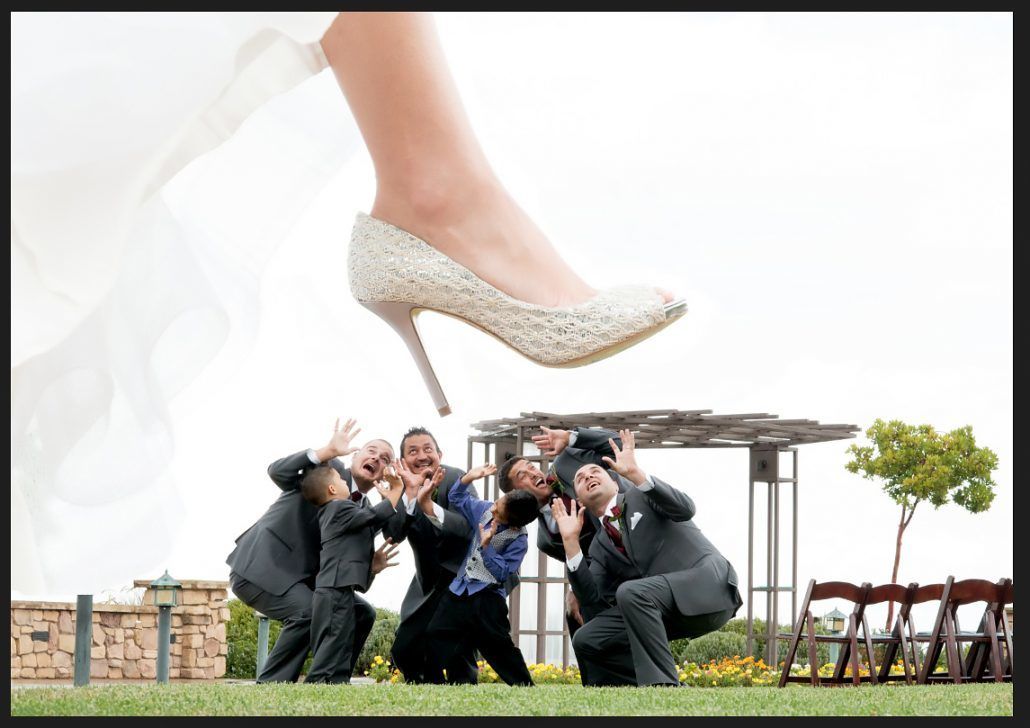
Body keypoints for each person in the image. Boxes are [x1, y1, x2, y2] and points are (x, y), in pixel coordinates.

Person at [13, 11, 683, 599]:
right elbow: (330, 494)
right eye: (412, 450)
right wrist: (386, 481)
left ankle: (435, 197)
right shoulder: (418, 488)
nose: (538, 473)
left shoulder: (507, 509)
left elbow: (483, 551)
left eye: (536, 474)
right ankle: (437, 197)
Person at [552, 429, 743, 687]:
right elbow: (592, 603)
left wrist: (637, 475)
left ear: (614, 480)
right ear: (577, 498)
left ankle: (663, 686)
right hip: (667, 611)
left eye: (594, 472)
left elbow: (685, 508)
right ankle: (628, 690)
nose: (588, 476)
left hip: (710, 587)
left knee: (632, 592)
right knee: (588, 638)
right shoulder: (598, 548)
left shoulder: (641, 494)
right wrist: (571, 545)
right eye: (579, 478)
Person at [225, 418, 405, 683]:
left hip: (309, 583)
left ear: (385, 472)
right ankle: (272, 686)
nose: (377, 458)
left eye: (385, 458)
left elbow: (349, 557)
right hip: (261, 568)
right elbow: (278, 472)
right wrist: (326, 451)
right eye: (371, 451)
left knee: (361, 612)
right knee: (307, 613)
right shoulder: (327, 470)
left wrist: (371, 566)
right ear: (355, 455)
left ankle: (333, 684)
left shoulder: (366, 512)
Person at [496, 426, 626, 636]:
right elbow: (583, 562)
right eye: (523, 474)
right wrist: (576, 590)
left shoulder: (566, 464)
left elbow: (619, 444)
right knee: (580, 623)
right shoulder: (545, 541)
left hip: (642, 553)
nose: (534, 472)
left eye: (531, 466)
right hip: (613, 587)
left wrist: (570, 437)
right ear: (516, 493)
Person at [419, 463, 539, 686]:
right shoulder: (485, 509)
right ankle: (432, 683)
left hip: (488, 598)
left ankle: (524, 685)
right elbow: (457, 498)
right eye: (496, 503)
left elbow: (503, 573)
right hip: (460, 588)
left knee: (498, 646)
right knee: (435, 633)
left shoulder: (518, 540)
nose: (493, 509)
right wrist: (468, 478)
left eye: (499, 511)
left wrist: (487, 547)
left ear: (514, 522)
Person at [388, 426, 480, 684]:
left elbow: (468, 527)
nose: (422, 456)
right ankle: (428, 690)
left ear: (439, 453)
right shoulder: (400, 487)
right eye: (413, 451)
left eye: (428, 449)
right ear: (403, 461)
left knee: (458, 651)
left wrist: (429, 505)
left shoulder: (456, 479)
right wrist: (409, 495)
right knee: (404, 648)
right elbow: (394, 534)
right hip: (427, 580)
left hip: (461, 576)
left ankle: (464, 700)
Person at [300, 461, 404, 684]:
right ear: (332, 490)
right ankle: (317, 685)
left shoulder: (340, 514)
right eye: (340, 479)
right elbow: (374, 517)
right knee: (331, 643)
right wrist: (397, 490)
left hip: (337, 589)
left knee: (341, 640)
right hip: (333, 589)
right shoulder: (337, 507)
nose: (345, 481)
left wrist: (372, 568)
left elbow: (369, 524)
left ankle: (337, 683)